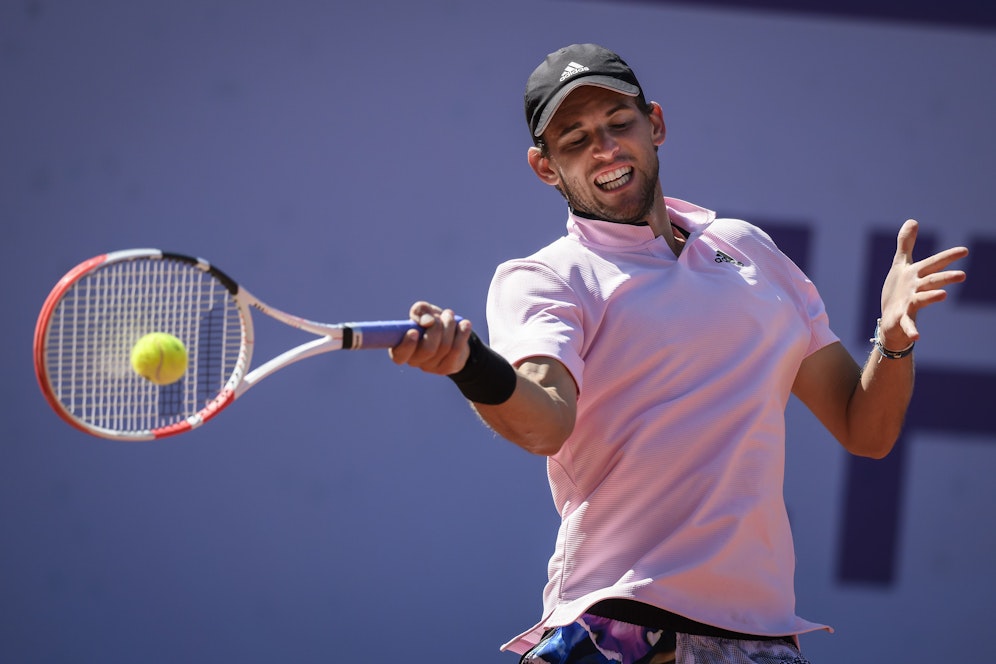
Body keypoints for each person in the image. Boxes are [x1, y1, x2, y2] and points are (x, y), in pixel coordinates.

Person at [389, 43, 969, 664]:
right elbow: (546, 421)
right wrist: (468, 366)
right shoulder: (546, 278)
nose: (605, 149)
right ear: (545, 167)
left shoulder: (750, 251)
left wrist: (894, 340)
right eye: (576, 139)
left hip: (759, 635)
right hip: (622, 625)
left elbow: (866, 429)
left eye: (619, 124)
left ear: (655, 124)